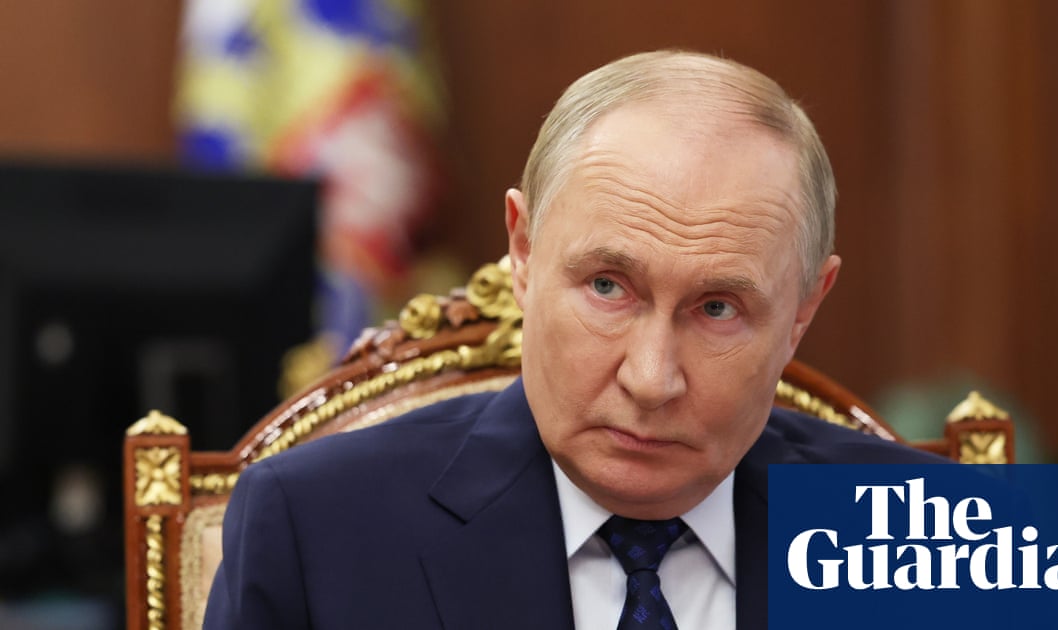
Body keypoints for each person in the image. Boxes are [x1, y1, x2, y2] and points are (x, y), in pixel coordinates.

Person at [203, 50, 946, 630]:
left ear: (804, 309)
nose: (650, 380)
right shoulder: (316, 526)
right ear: (523, 254)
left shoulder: (925, 538)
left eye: (717, 307)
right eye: (608, 287)